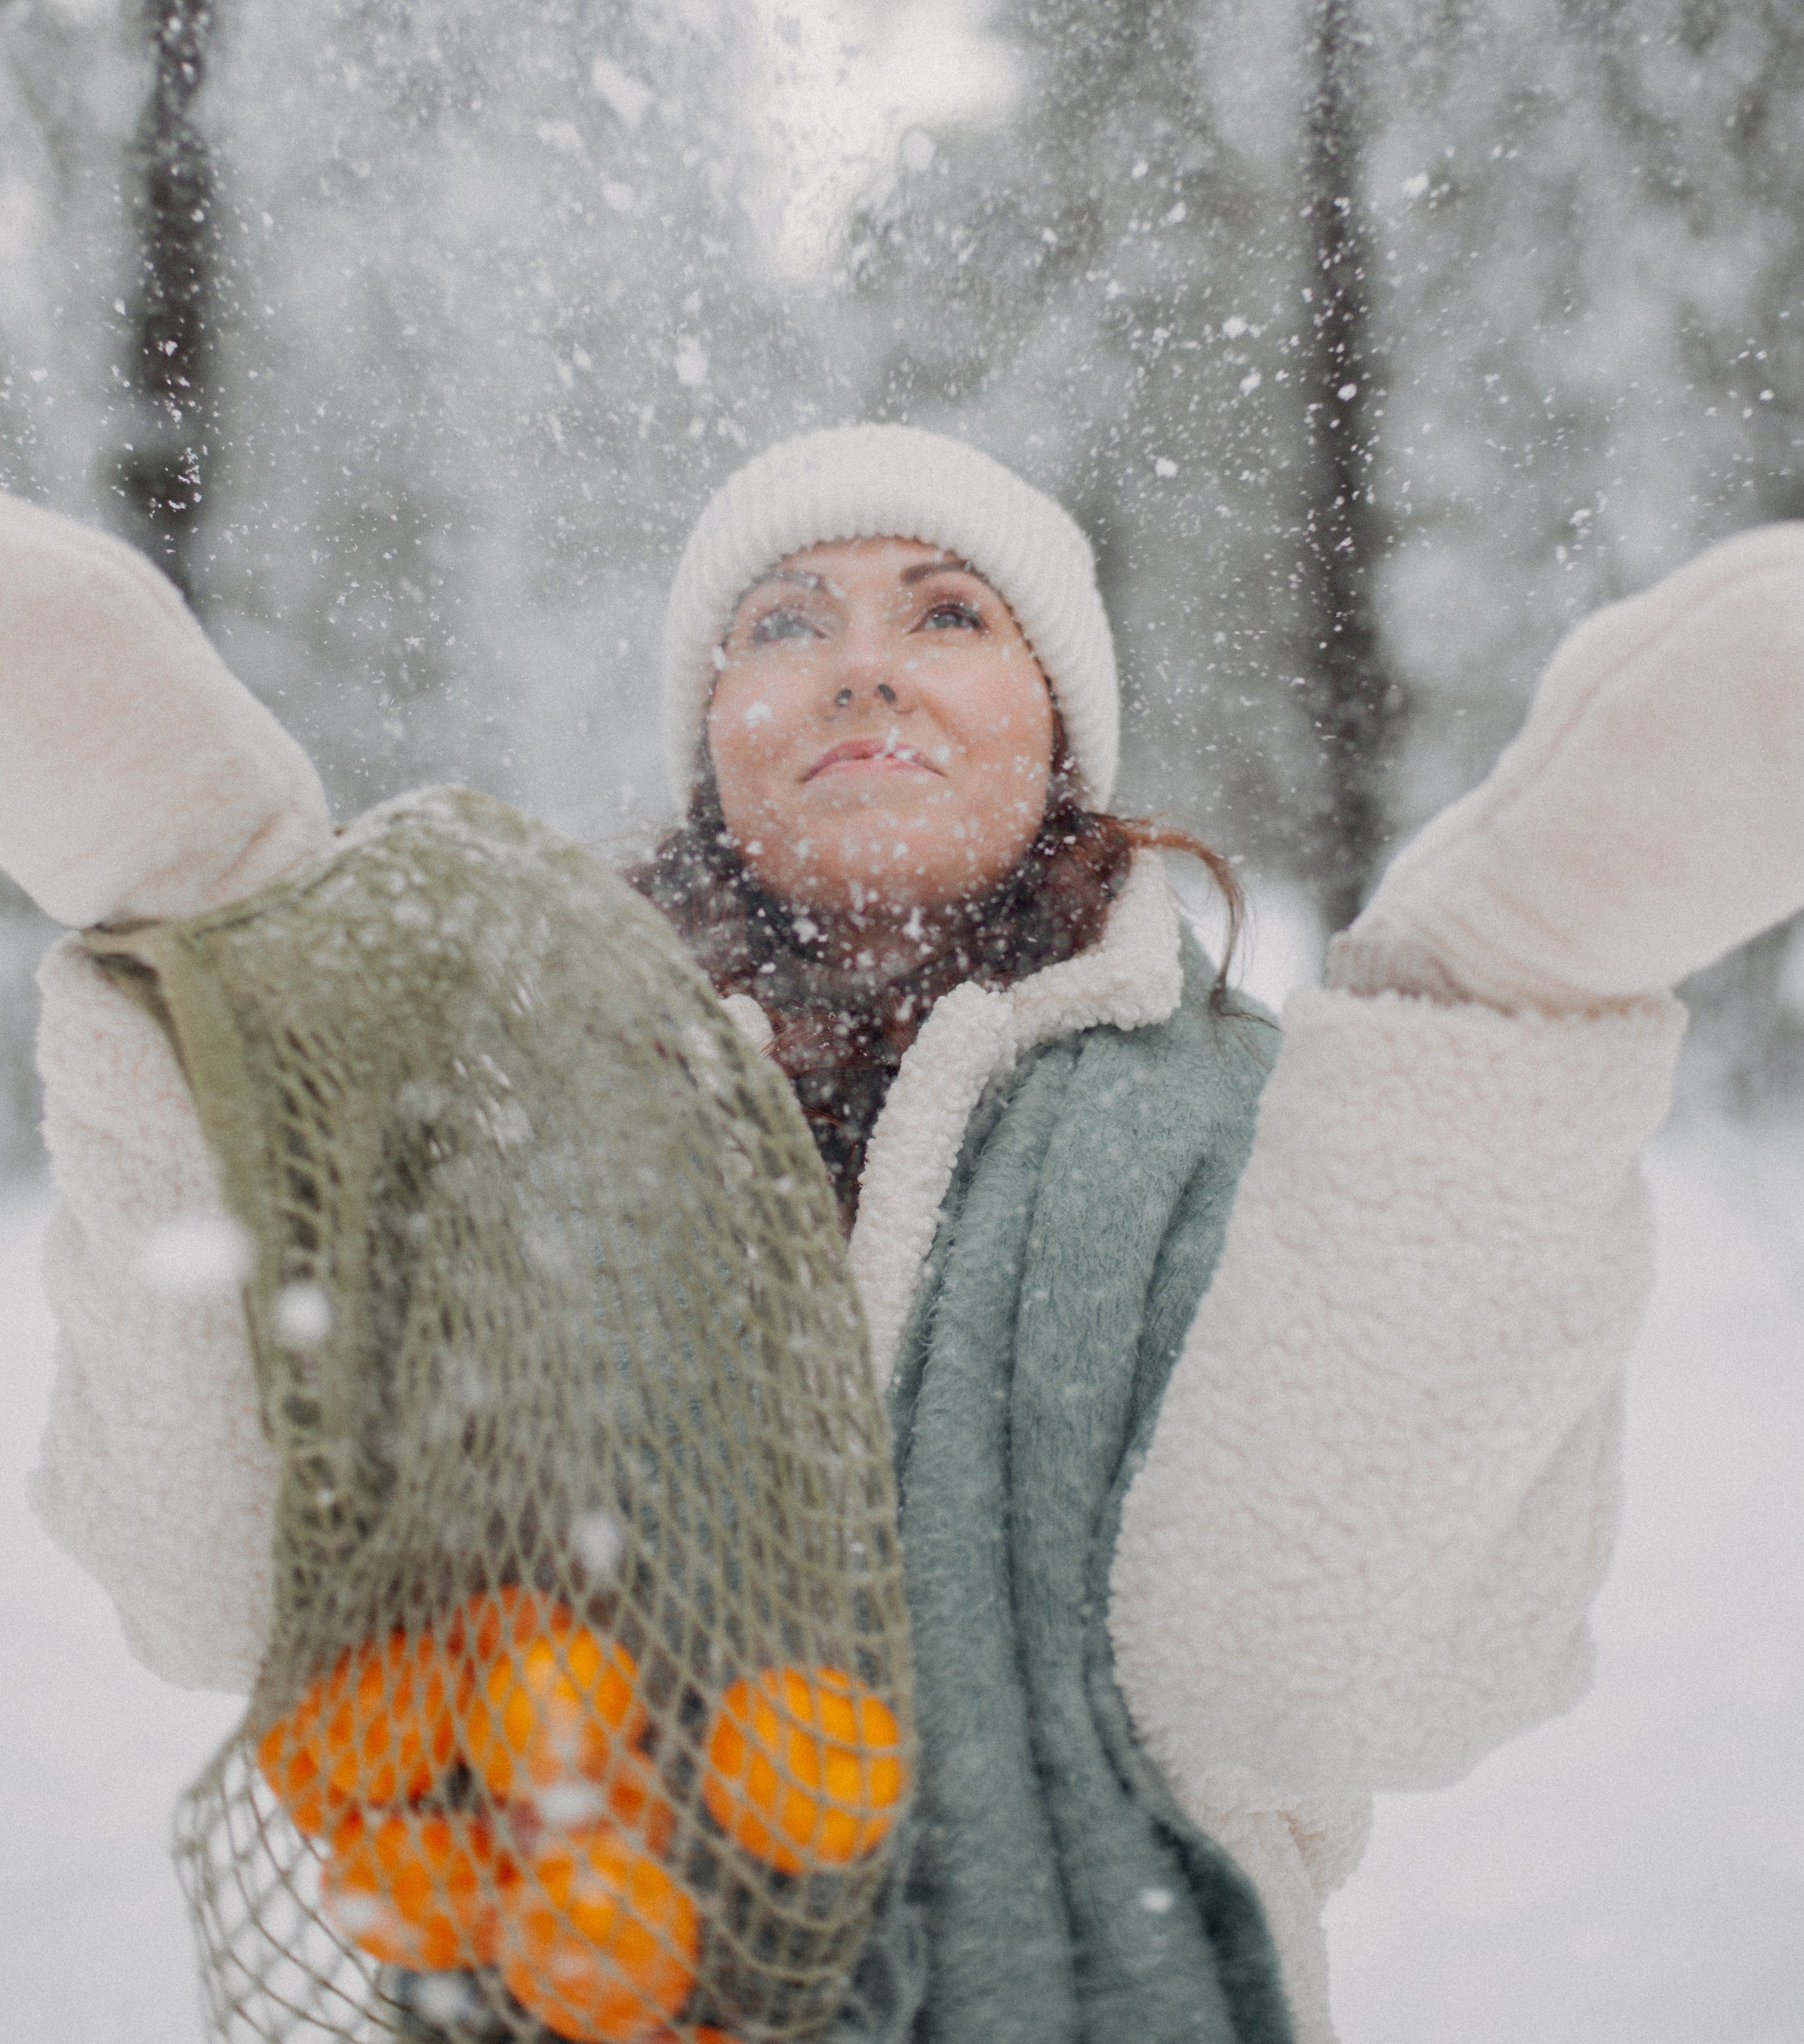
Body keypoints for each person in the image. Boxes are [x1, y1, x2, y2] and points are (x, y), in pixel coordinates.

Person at [9, 420, 1804, 2044]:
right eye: (783, 622)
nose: (858, 662)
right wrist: (200, 946)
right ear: (713, 732)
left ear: (1061, 727)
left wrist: (1489, 1005)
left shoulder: (1261, 1127)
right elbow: (219, 1582)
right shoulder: (501, 1115)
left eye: (946, 615)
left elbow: (1340, 1674)